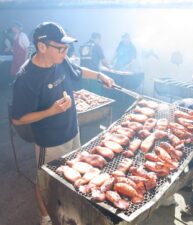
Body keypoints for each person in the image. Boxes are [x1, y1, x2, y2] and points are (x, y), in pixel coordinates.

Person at [11, 22, 115, 225]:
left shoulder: (60, 59)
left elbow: (78, 69)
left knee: (73, 171)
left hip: (72, 131)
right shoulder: (26, 78)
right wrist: (52, 111)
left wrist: (99, 75)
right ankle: (46, 218)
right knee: (45, 181)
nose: (66, 51)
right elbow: (18, 118)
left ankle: (69, 206)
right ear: (42, 47)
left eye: (66, 47)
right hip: (49, 142)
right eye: (61, 48)